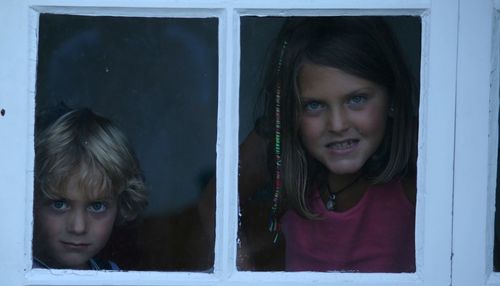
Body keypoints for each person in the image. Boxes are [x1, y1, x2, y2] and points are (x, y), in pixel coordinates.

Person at [199, 16, 418, 272]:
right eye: (314, 105)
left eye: (357, 99)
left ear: (391, 97)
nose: (337, 124)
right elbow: (216, 200)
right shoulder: (281, 153)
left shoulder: (419, 160)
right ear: (291, 113)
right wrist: (244, 271)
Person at [33, 108, 148, 270]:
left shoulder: (113, 276)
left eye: (97, 206)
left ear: (121, 206)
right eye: (59, 204)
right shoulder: (14, 273)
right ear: (31, 203)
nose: (78, 227)